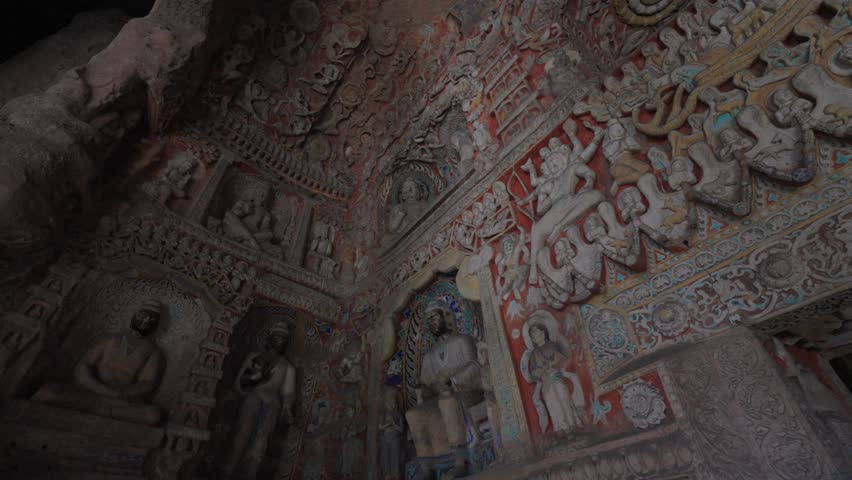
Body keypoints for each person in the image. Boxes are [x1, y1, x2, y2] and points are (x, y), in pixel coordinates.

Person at [33, 301, 166, 425]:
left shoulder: (153, 352)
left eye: (152, 320)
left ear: (156, 325)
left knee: (153, 415)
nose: (146, 321)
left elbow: (147, 383)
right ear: (134, 315)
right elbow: (84, 365)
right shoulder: (109, 339)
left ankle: (97, 408)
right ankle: (101, 409)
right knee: (48, 392)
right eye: (143, 315)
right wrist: (99, 388)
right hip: (91, 391)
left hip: (119, 399)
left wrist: (122, 393)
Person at [220, 322, 297, 479]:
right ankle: (228, 469)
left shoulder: (287, 367)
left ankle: (250, 473)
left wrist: (287, 407)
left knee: (261, 441)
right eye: (277, 337)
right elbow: (240, 383)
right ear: (269, 338)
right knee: (242, 433)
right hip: (253, 397)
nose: (280, 341)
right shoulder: (256, 357)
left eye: (284, 339)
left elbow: (288, 392)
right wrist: (256, 377)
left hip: (272, 404)